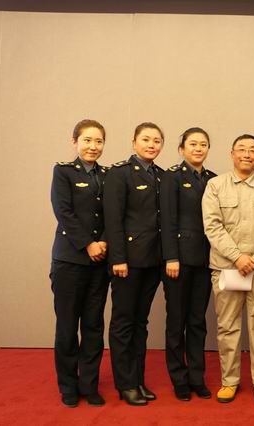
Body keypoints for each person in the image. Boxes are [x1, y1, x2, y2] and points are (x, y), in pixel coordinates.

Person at [202, 134, 254, 404]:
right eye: (241, 149)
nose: (247, 154)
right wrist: (238, 258)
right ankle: (229, 381)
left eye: (252, 150)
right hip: (228, 268)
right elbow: (212, 226)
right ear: (232, 153)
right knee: (228, 326)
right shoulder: (216, 186)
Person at [50, 119, 109, 408]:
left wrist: (105, 241)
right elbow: (64, 212)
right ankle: (68, 386)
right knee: (67, 327)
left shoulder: (108, 175)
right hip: (70, 260)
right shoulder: (63, 171)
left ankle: (89, 384)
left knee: (94, 326)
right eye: (87, 140)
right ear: (75, 142)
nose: (93, 146)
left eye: (98, 141)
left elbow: (114, 213)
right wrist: (88, 244)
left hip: (99, 262)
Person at [104, 122, 165, 406]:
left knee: (141, 322)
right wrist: (118, 258)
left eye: (157, 141)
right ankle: (125, 384)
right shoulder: (119, 173)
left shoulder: (161, 175)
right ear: (134, 142)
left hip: (153, 260)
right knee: (123, 323)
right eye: (146, 139)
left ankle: (138, 379)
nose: (151, 145)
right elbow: (113, 220)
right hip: (127, 261)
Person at [161, 127, 216, 401]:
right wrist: (171, 257)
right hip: (179, 261)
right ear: (182, 148)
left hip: (206, 260)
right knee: (176, 322)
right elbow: (167, 220)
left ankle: (197, 377)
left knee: (197, 321)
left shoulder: (214, 179)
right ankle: (179, 379)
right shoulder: (171, 177)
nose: (198, 149)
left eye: (203, 144)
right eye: (193, 144)